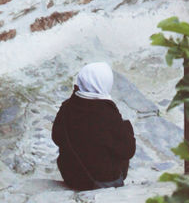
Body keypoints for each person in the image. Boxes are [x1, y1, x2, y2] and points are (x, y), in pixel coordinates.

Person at [52, 62, 136, 190]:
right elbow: (128, 150)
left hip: (72, 177)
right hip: (100, 181)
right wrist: (127, 127)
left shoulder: (67, 106)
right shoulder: (106, 113)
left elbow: (56, 137)